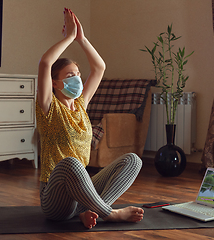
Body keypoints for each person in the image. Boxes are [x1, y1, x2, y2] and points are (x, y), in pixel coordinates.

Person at [36, 8, 144, 229]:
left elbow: (99, 67)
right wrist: (67, 38)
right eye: (69, 75)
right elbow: (45, 63)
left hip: (82, 196)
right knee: (71, 164)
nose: (76, 78)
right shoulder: (48, 107)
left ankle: (91, 211)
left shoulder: (81, 105)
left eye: (77, 74)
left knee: (133, 160)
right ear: (54, 83)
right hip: (55, 200)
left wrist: (81, 39)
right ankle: (110, 213)